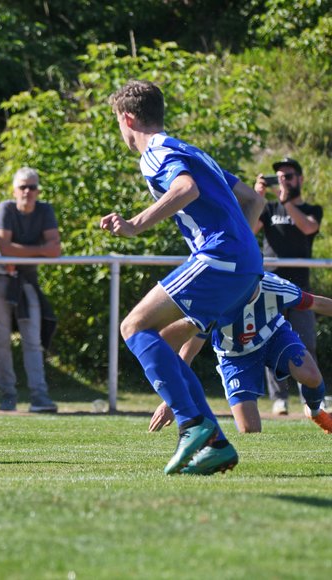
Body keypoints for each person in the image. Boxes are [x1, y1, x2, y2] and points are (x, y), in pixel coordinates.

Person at [100, 79, 265, 475]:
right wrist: (241, 244)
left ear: (128, 118)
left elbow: (185, 189)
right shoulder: (191, 150)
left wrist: (136, 224)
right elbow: (254, 199)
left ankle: (193, 423)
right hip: (244, 265)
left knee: (134, 326)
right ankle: (214, 445)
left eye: (118, 122)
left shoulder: (154, 152)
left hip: (220, 258)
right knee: (154, 335)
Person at [148, 272, 332, 434]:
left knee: (311, 376)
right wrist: (172, 400)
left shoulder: (275, 286)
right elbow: (188, 353)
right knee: (250, 430)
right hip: (234, 355)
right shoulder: (216, 300)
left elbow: (316, 303)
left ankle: (315, 412)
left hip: (274, 336)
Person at [0, 167, 61, 413]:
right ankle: (7, 395)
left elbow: (55, 250)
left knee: (32, 338)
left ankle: (39, 396)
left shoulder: (45, 210)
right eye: (23, 187)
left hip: (28, 280)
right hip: (1, 277)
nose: (27, 192)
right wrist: (39, 250)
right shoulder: (6, 208)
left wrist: (18, 253)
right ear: (14, 190)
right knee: (1, 338)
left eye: (32, 187)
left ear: (38, 191)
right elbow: (4, 248)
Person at [253, 157, 322, 416]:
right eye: (279, 177)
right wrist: (257, 199)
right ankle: (279, 399)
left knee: (306, 343)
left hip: (301, 288)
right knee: (270, 342)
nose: (284, 181)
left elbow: (308, 227)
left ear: (300, 179)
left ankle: (311, 398)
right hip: (270, 287)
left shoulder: (312, 209)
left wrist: (286, 203)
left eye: (289, 176)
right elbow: (247, 231)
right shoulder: (268, 209)